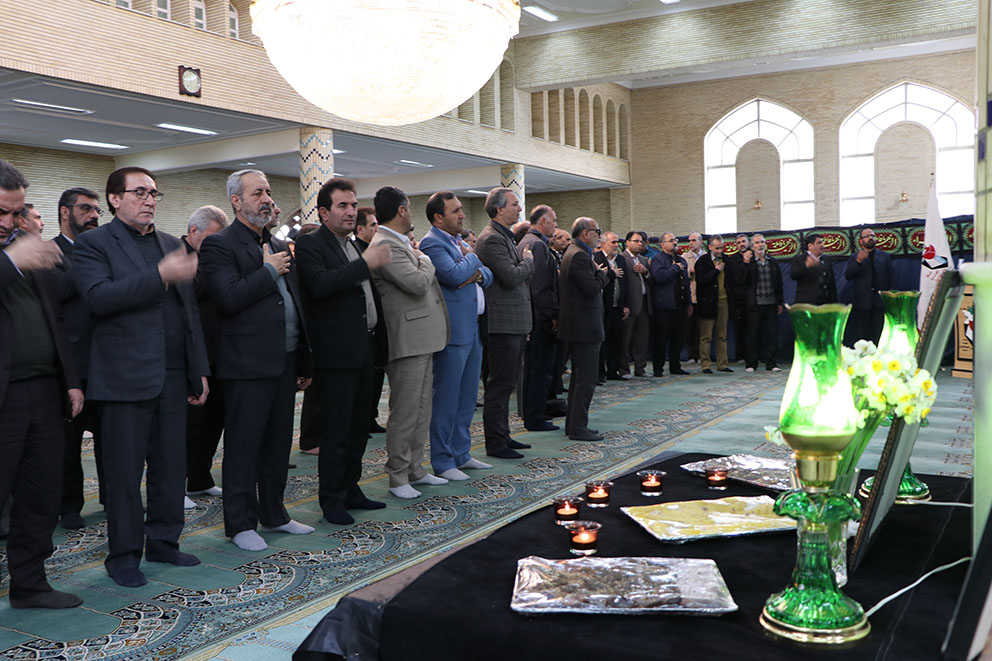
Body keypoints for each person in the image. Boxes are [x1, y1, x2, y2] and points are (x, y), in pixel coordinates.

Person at [73, 166, 208, 588]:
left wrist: (199, 368)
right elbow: (98, 298)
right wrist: (160, 276)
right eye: (140, 193)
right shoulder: (93, 244)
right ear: (115, 199)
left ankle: (164, 542)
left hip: (172, 374)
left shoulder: (171, 244)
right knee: (124, 474)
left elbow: (189, 313)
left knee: (171, 466)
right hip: (123, 377)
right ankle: (124, 555)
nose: (149, 200)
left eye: (153, 193)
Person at [199, 170, 315, 551]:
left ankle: (275, 514)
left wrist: (303, 359)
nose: (267, 198)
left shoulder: (277, 242)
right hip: (246, 363)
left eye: (268, 191)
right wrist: (268, 270)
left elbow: (293, 301)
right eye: (257, 193)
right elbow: (229, 298)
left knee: (278, 444)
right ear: (236, 201)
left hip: (284, 358)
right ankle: (240, 523)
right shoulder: (219, 245)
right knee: (244, 446)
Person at [0, 158, 84, 609]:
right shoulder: (15, 254)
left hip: (43, 392)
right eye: (0, 212)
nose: (8, 222)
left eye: (15, 213)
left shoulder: (23, 248)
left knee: (40, 495)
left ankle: (30, 585)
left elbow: (55, 320)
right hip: (4, 397)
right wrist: (10, 261)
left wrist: (70, 380)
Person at [294, 177, 391, 525]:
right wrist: (367, 263)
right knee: (336, 431)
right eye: (343, 206)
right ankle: (332, 499)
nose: (351, 211)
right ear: (324, 212)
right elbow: (320, 285)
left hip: (362, 349)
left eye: (353, 205)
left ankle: (351, 489)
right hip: (335, 354)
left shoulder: (351, 245)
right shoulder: (310, 244)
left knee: (358, 428)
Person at [368, 186, 450, 498]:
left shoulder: (401, 242)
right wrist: (425, 259)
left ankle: (415, 468)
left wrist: (418, 257)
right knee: (404, 411)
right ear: (402, 210)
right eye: (410, 207)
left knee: (421, 408)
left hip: (422, 337)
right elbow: (416, 283)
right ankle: (398, 475)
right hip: (406, 338)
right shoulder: (385, 243)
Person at [419, 191, 494, 481]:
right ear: (438, 218)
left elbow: (487, 276)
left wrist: (472, 269)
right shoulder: (432, 243)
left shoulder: (456, 242)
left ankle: (461, 453)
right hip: (452, 330)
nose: (462, 215)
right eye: (455, 211)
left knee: (467, 397)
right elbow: (451, 275)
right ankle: (443, 460)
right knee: (447, 399)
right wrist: (472, 258)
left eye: (461, 209)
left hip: (471, 327)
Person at [51, 187, 103, 530]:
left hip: (108, 361)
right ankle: (69, 505)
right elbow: (57, 292)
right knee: (69, 445)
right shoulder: (50, 252)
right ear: (65, 212)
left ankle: (115, 498)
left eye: (97, 210)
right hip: (71, 365)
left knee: (112, 440)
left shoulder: (103, 250)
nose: (94, 215)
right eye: (86, 209)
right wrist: (87, 260)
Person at [475, 187, 534, 459]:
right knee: (499, 385)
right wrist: (528, 262)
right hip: (502, 323)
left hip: (512, 322)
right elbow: (511, 276)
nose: (519, 209)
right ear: (499, 209)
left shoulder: (503, 236)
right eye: (514, 204)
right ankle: (496, 443)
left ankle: (504, 435)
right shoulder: (491, 239)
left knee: (507, 384)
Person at [182, 206, 227, 508]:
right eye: (212, 238)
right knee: (189, 425)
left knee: (214, 420)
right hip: (191, 355)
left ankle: (200, 477)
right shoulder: (177, 256)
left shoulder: (214, 258)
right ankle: (177, 485)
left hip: (219, 352)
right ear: (194, 232)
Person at [558, 217, 609, 441]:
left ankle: (574, 425)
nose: (599, 235)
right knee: (585, 380)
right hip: (584, 327)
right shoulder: (578, 255)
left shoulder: (575, 252)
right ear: (585, 233)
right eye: (597, 231)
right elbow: (590, 288)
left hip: (579, 325)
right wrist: (603, 274)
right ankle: (578, 427)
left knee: (579, 379)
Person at [517, 204, 560, 431]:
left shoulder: (527, 241)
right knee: (539, 369)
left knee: (533, 368)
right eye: (554, 220)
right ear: (543, 221)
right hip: (540, 317)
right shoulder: (537, 245)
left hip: (532, 314)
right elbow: (541, 287)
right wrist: (553, 315)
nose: (556, 225)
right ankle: (535, 417)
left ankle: (531, 414)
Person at [649, 233, 692, 377]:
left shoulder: (681, 259)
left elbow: (686, 283)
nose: (675, 242)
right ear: (662, 244)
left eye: (675, 240)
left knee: (678, 338)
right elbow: (659, 277)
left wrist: (689, 302)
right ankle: (658, 368)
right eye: (671, 240)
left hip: (680, 305)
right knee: (661, 339)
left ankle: (675, 365)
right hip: (664, 306)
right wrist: (675, 268)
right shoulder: (658, 259)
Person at [741, 233, 783, 372]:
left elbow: (779, 283)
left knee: (771, 335)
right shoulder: (749, 263)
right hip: (755, 304)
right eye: (757, 243)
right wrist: (746, 263)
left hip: (771, 303)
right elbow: (742, 280)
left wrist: (780, 302)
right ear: (752, 247)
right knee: (753, 334)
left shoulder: (773, 262)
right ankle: (751, 364)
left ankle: (771, 363)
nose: (760, 245)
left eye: (762, 242)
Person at [844, 227, 892, 345]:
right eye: (867, 236)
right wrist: (858, 261)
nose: (870, 238)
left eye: (872, 236)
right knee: (861, 335)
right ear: (861, 241)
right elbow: (848, 275)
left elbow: (891, 278)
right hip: (862, 303)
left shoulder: (884, 257)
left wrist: (889, 299)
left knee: (877, 334)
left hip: (879, 302)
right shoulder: (854, 257)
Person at [695, 235, 734, 374]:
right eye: (717, 248)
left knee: (722, 335)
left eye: (721, 248)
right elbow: (701, 280)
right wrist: (716, 270)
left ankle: (722, 364)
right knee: (706, 336)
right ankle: (706, 365)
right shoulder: (702, 261)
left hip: (723, 301)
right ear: (710, 247)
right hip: (708, 302)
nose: (719, 251)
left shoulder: (727, 260)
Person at [594, 231, 629, 381]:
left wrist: (625, 305)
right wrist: (611, 273)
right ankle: (599, 373)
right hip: (602, 307)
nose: (616, 245)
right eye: (613, 242)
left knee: (616, 341)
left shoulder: (620, 259)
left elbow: (625, 283)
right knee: (602, 342)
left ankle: (613, 371)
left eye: (617, 242)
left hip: (617, 307)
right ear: (603, 243)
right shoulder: (596, 258)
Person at [620, 231, 651, 377]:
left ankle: (640, 368)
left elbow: (651, 279)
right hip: (629, 304)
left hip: (644, 303)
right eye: (636, 241)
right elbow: (622, 284)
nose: (640, 244)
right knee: (625, 339)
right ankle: (624, 369)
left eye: (641, 242)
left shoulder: (643, 260)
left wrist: (646, 272)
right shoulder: (622, 258)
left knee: (642, 338)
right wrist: (624, 304)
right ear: (627, 242)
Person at [791, 233, 837, 304]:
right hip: (807, 302)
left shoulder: (826, 259)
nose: (822, 245)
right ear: (810, 246)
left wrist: (834, 302)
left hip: (825, 302)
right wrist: (806, 266)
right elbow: (793, 276)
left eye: (822, 243)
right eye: (819, 243)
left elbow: (831, 282)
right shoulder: (800, 259)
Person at [726, 233, 750, 362]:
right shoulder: (732, 260)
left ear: (748, 243)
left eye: (744, 241)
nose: (742, 244)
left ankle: (753, 356)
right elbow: (731, 281)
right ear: (735, 245)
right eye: (739, 242)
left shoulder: (755, 257)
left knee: (753, 329)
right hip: (738, 300)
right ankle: (740, 356)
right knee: (739, 329)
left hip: (753, 300)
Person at [683, 232, 705, 363]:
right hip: (691, 297)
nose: (691, 243)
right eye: (689, 240)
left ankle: (703, 355)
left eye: (694, 240)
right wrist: (690, 272)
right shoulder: (684, 257)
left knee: (703, 329)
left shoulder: (706, 256)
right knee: (690, 329)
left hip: (704, 298)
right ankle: (692, 355)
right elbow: (682, 275)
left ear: (701, 242)